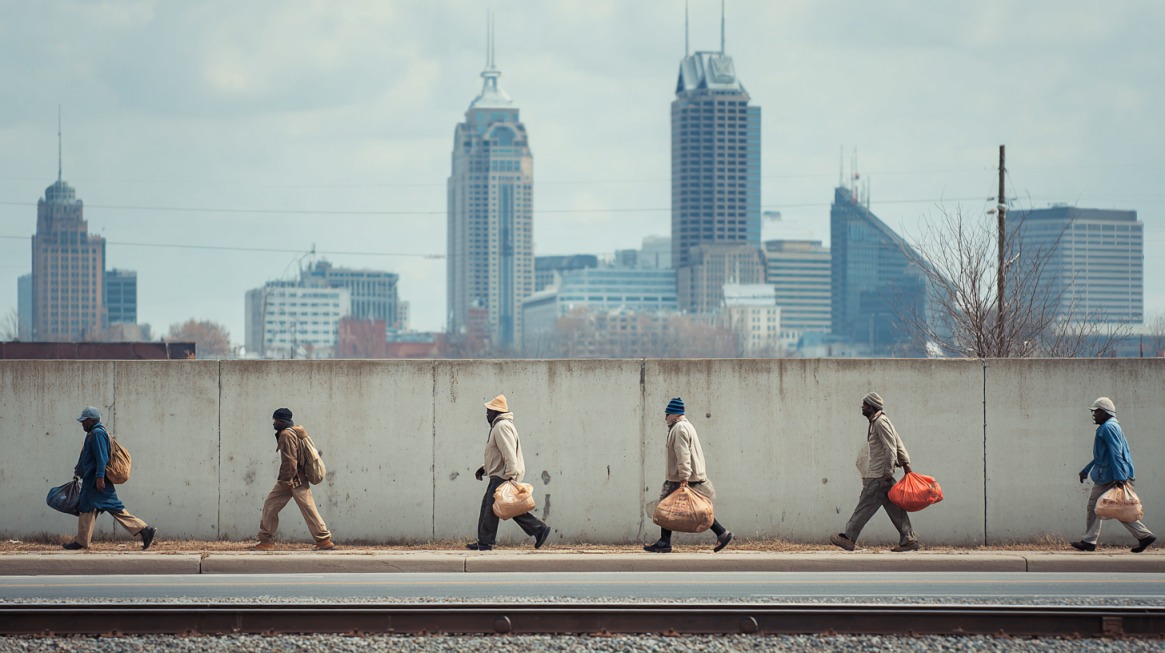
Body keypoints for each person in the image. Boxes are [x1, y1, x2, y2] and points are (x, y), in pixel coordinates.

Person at [830, 392, 919, 552]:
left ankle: (849, 538)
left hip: (879, 475)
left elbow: (891, 447)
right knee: (895, 508)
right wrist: (905, 464)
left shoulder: (880, 422)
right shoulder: (878, 421)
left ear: (871, 406)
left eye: (864, 405)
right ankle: (909, 538)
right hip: (883, 475)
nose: (862, 407)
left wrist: (888, 471)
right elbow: (897, 442)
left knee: (864, 505)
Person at [643, 397, 733, 553]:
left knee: (669, 507)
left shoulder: (680, 429)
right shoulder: (685, 426)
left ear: (674, 414)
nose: (665, 418)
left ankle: (720, 533)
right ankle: (720, 533)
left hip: (683, 478)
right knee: (678, 506)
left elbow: (683, 454)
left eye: (667, 414)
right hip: (687, 476)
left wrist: (684, 478)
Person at [63, 406, 157, 551]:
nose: (82, 424)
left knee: (107, 508)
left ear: (91, 420)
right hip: (92, 479)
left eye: (84, 421)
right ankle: (82, 541)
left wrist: (100, 477)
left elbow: (102, 457)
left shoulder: (98, 433)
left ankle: (144, 529)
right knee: (88, 508)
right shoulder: (94, 433)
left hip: (96, 480)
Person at [467, 394, 551, 551]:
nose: (487, 414)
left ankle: (485, 542)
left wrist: (511, 476)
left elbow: (509, 453)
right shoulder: (500, 426)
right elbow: (497, 455)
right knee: (505, 507)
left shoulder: (502, 426)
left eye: (489, 411)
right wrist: (484, 469)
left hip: (503, 476)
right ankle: (538, 529)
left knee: (491, 507)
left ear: (496, 412)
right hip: (500, 474)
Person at [1071, 397, 1156, 553]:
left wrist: (1119, 477)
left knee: (1095, 506)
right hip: (1111, 474)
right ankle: (1144, 536)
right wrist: (1086, 469)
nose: (1094, 414)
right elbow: (1102, 455)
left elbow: (1115, 453)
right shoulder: (1110, 427)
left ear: (1104, 412)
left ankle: (1089, 541)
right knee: (1119, 507)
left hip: (1110, 476)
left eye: (1096, 411)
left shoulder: (1108, 428)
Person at [254, 407, 335, 551]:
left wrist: (285, 481)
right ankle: (324, 540)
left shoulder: (286, 435)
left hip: (291, 480)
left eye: (275, 420)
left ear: (281, 421)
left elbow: (290, 460)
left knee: (270, 506)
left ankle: (266, 541)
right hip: (299, 478)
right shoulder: (296, 432)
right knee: (308, 509)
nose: (274, 422)